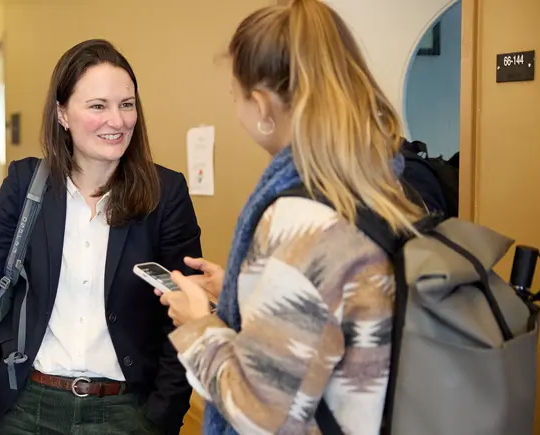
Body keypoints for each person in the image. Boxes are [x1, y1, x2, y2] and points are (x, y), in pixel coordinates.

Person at [155, 1, 425, 434]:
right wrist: (247, 294)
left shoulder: (300, 222)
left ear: (262, 106)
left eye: (235, 97)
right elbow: (329, 308)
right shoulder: (373, 188)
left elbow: (260, 414)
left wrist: (199, 324)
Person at [0, 39, 202, 435]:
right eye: (97, 106)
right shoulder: (24, 185)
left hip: (126, 414)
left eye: (127, 104)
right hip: (27, 407)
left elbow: (185, 313)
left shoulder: (166, 194)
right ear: (63, 113)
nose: (117, 121)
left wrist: (161, 417)